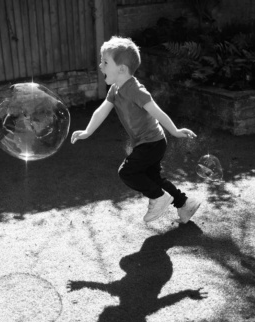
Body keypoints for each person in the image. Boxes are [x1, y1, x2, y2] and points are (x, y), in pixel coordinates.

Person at [71, 36, 201, 223]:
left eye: (105, 62)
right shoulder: (115, 89)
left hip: (153, 143)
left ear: (121, 69)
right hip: (146, 143)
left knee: (127, 172)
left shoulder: (136, 90)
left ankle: (159, 197)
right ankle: (185, 204)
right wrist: (87, 131)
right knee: (153, 178)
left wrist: (175, 131)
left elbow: (157, 112)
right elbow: (101, 111)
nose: (100, 66)